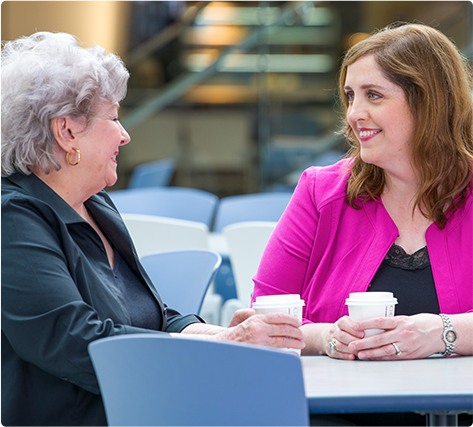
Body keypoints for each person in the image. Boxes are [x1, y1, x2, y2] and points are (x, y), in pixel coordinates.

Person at [0, 32, 305, 427]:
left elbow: (154, 319)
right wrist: (222, 350)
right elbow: (74, 340)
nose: (125, 135)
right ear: (67, 131)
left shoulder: (95, 204)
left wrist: (219, 336)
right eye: (112, 118)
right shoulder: (12, 217)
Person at [252, 22, 473, 427]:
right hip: (340, 418)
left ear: (430, 103)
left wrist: (443, 332)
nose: (354, 114)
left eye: (374, 95)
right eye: (350, 96)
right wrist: (328, 338)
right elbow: (265, 318)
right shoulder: (322, 192)